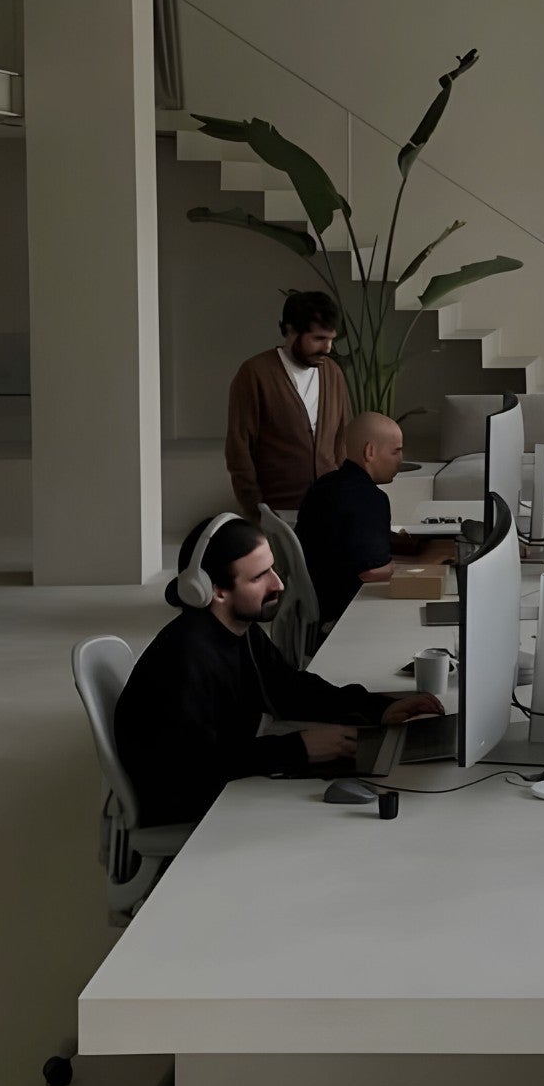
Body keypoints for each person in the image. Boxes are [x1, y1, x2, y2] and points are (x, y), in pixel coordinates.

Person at [115, 515, 442, 826]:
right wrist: (300, 749)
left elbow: (290, 689)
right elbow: (195, 768)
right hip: (191, 804)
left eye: (272, 569)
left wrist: (380, 708)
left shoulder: (238, 629)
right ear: (212, 589)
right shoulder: (186, 661)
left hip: (229, 774)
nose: (278, 583)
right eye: (259, 577)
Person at [295, 411, 456, 626]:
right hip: (342, 612)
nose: (401, 459)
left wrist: (414, 546)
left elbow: (353, 541)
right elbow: (371, 572)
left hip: (316, 598)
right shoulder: (369, 499)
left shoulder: (325, 484)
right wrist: (427, 561)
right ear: (370, 452)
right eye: (396, 451)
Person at [225, 291, 352, 520]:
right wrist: (257, 509)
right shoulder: (255, 374)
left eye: (331, 339)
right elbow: (239, 449)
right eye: (318, 339)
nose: (328, 348)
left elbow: (343, 439)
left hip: (331, 509)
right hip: (277, 512)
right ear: (290, 330)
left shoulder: (333, 373)